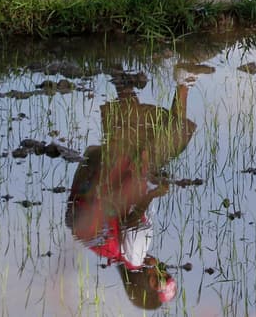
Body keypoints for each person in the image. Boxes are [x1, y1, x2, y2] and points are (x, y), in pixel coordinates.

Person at [64, 66, 199, 309]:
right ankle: (118, 74)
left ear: (147, 281)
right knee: (133, 130)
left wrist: (154, 193)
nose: (161, 267)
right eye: (166, 273)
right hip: (99, 174)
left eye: (160, 276)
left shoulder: (136, 256)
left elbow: (134, 218)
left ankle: (184, 80)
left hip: (112, 176)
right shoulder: (114, 254)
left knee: (173, 138)